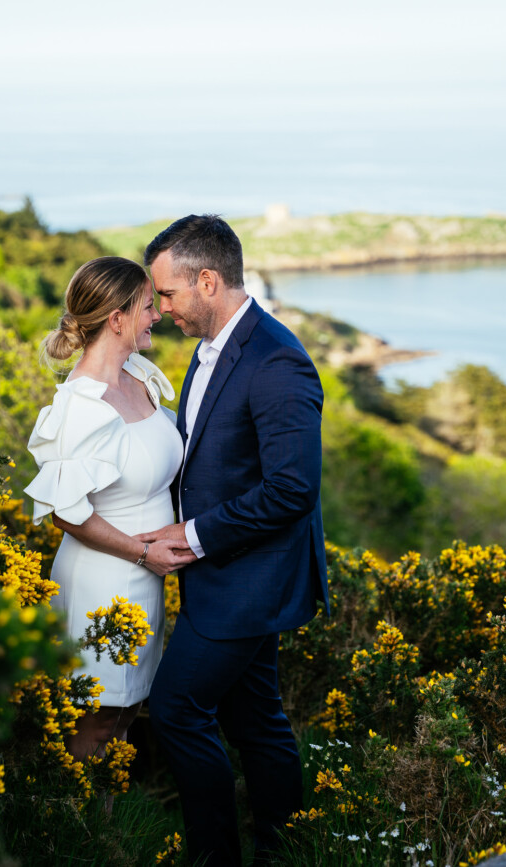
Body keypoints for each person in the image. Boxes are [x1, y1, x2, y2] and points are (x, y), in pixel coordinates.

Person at [138, 215, 329, 866]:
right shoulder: (213, 344)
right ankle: (287, 845)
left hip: (248, 581)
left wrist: (192, 537)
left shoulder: (278, 362)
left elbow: (292, 490)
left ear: (208, 281)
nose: (160, 310)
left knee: (176, 710)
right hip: (224, 574)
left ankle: (215, 857)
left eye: (166, 294)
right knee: (255, 719)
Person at [24, 256, 194, 759]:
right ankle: (76, 833)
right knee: (94, 722)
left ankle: (105, 824)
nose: (157, 315)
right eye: (147, 306)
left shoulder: (138, 374)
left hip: (146, 577)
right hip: (104, 579)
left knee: (123, 716)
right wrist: (144, 555)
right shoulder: (81, 407)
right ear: (116, 319)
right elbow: (66, 512)